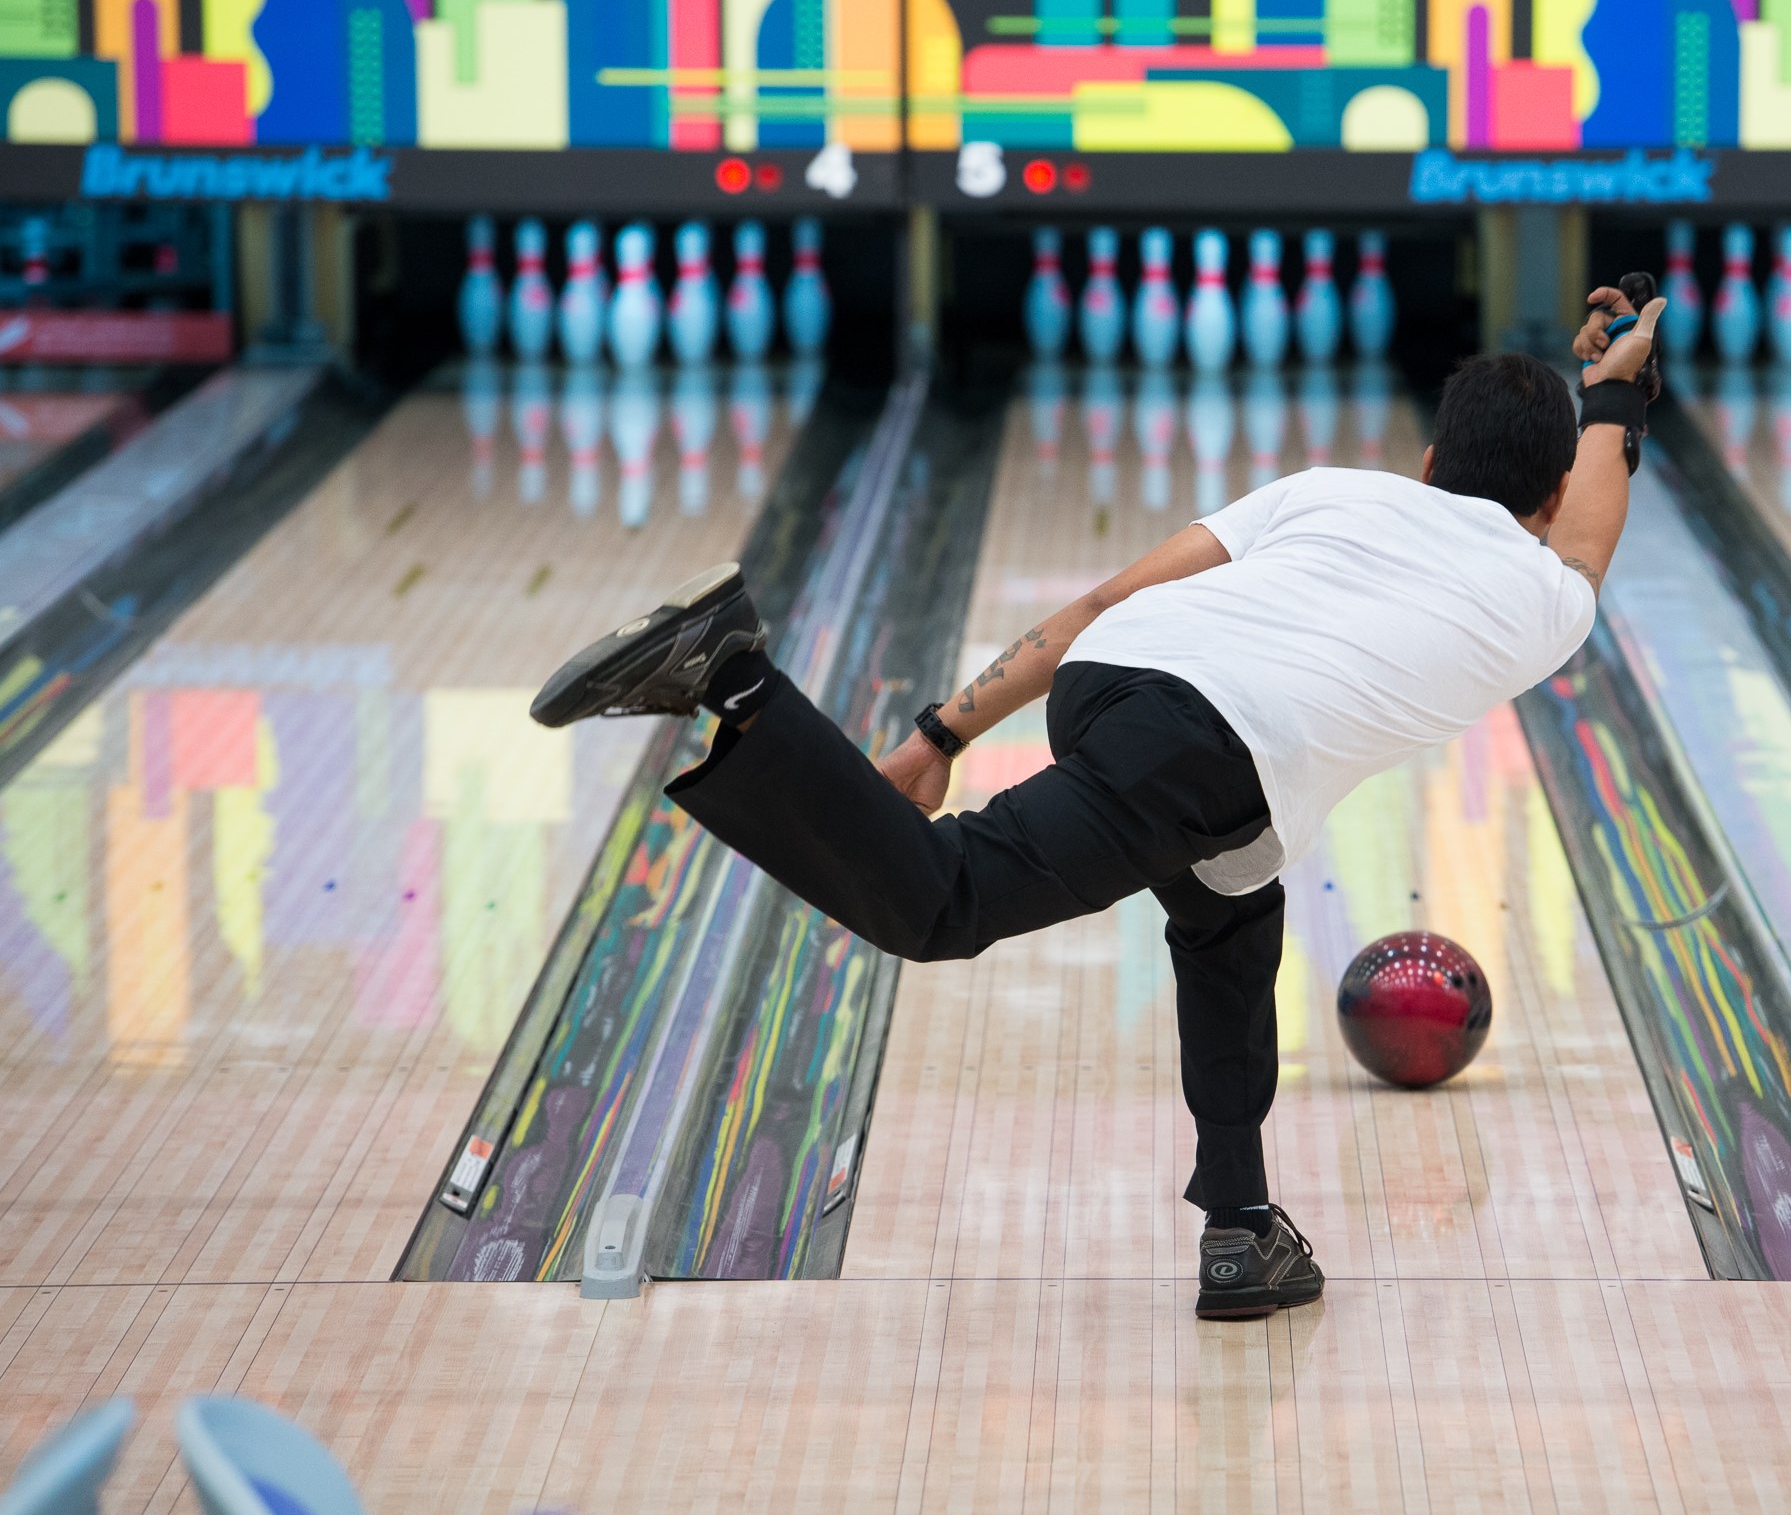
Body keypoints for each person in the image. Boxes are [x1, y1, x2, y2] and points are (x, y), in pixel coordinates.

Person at [528, 289, 1668, 1320]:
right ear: (1549, 497)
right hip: (1206, 747)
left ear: (1426, 462)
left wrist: (943, 731)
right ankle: (735, 677)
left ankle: (1241, 1226)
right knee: (941, 903)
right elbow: (1596, 507)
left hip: (1112, 680)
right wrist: (1616, 389)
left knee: (1231, 906)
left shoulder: (1329, 491)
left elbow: (1103, 600)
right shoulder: (1548, 597)